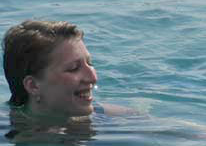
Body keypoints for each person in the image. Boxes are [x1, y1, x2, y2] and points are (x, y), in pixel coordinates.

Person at [2, 20, 131, 134]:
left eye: (90, 63)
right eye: (73, 68)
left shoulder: (123, 119)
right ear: (33, 85)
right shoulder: (6, 134)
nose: (93, 77)